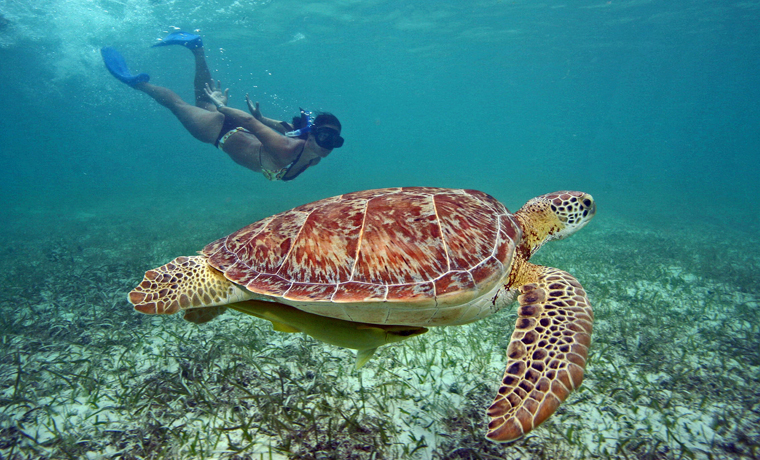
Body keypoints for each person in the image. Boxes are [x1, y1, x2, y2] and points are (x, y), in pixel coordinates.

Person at [101, 31, 344, 181]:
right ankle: (137, 84)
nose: (329, 145)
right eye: (324, 136)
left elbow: (287, 126)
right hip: (218, 131)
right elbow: (249, 122)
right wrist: (222, 108)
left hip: (230, 129)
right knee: (176, 105)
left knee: (202, 102)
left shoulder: (313, 158)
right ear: (312, 135)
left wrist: (262, 117)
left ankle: (196, 48)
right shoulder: (286, 148)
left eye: (334, 140)